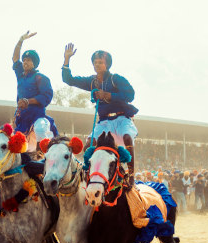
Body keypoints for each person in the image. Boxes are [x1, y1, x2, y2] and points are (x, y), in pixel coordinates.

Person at [62, 43, 139, 176]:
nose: (97, 65)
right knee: (89, 145)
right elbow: (68, 80)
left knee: (127, 138)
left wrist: (109, 95)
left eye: (100, 62)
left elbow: (131, 94)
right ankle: (88, 174)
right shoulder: (92, 81)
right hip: (104, 122)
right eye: (95, 62)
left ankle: (131, 174)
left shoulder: (116, 79)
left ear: (107, 64)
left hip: (122, 119)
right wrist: (67, 60)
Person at [12, 31, 58, 150]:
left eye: (29, 60)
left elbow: (46, 97)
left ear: (34, 63)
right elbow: (15, 58)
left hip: (38, 116)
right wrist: (20, 40)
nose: (25, 62)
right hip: (22, 117)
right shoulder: (20, 75)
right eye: (25, 59)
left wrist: (28, 101)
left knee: (40, 129)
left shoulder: (41, 78)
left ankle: (46, 155)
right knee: (12, 140)